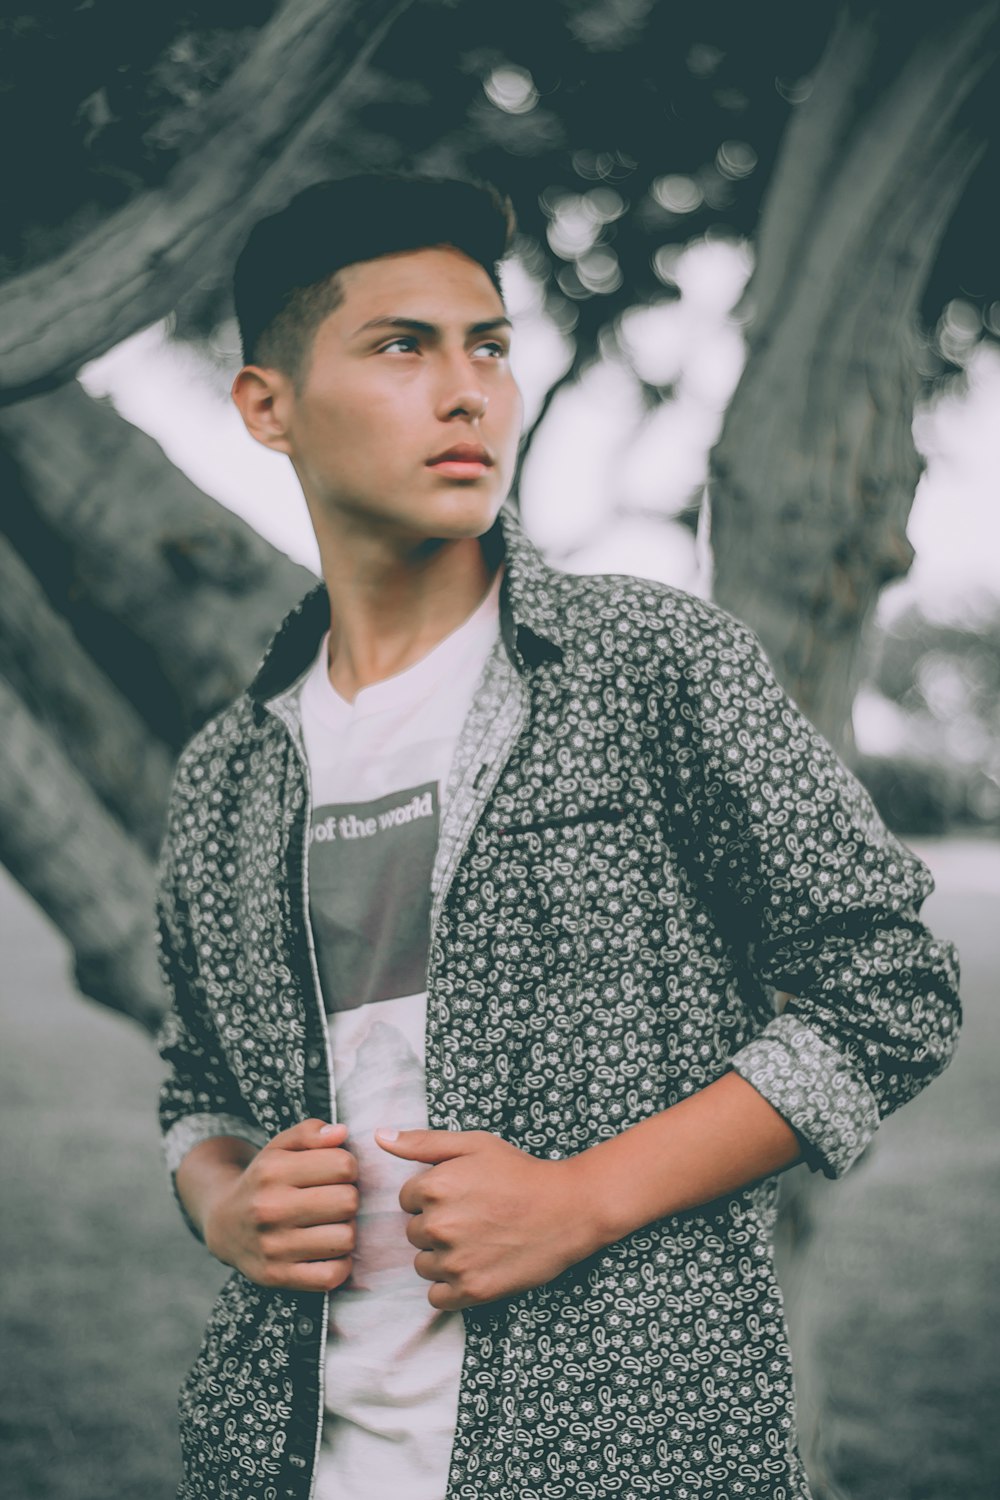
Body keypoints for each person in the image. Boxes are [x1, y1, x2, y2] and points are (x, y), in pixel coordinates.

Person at [155, 172, 961, 1500]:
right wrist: (222, 1201)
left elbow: (889, 992)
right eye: (402, 345)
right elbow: (196, 1091)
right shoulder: (227, 774)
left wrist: (582, 1197)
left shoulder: (649, 666)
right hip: (286, 1459)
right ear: (267, 405)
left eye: (490, 347)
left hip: (627, 1451)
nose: (469, 391)